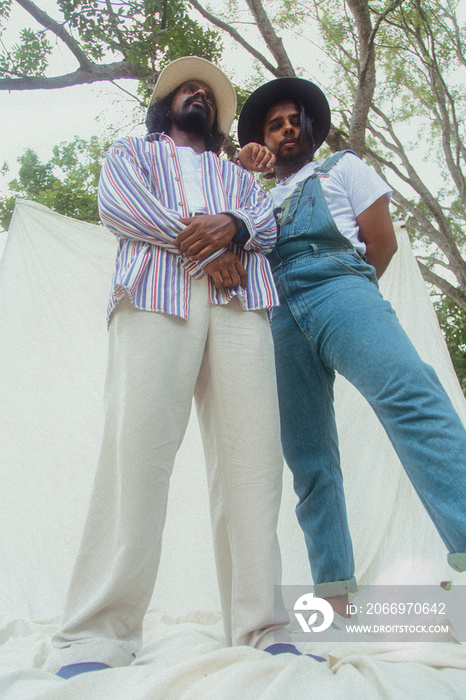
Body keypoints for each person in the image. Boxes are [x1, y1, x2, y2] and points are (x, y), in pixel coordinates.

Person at [50, 57, 300, 679]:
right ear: (166, 104)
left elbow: (265, 225)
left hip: (241, 304)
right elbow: (120, 206)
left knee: (254, 464)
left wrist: (235, 228)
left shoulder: (236, 171)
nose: (198, 97)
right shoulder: (132, 152)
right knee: (135, 456)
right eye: (187, 90)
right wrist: (210, 245)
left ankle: (263, 626)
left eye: (208, 95)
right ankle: (98, 634)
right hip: (155, 294)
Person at [236, 77, 466, 621]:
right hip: (279, 316)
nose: (288, 128)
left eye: (295, 121)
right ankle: (336, 603)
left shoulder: (343, 169)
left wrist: (349, 292)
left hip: (341, 287)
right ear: (263, 140)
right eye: (275, 124)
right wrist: (242, 172)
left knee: (412, 396)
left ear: (309, 129)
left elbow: (380, 243)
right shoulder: (256, 197)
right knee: (309, 457)